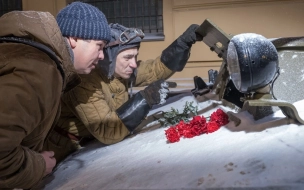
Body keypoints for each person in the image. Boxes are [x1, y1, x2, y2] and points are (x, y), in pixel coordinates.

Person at [43, 23, 201, 163]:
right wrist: (145, 99)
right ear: (108, 58)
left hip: (89, 144)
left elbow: (155, 70)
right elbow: (108, 131)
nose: (133, 64)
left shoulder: (119, 72)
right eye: (127, 57)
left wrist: (183, 44)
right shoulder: (84, 82)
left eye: (135, 57)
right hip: (60, 151)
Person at [0, 2, 111, 189]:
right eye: (99, 46)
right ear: (75, 38)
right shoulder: (39, 71)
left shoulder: (39, 62)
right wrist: (40, 165)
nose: (101, 56)